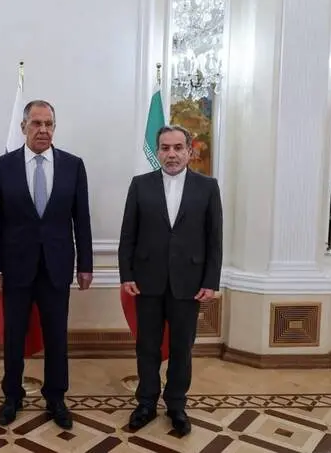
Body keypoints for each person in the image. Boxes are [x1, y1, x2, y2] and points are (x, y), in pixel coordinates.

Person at [0, 99, 93, 429]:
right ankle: (12, 396)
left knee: (57, 336)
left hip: (57, 266)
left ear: (54, 128)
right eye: (36, 123)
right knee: (14, 335)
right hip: (15, 266)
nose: (43, 129)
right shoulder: (3, 166)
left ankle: (56, 397)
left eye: (48, 124)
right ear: (23, 127)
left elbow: (82, 220)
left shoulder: (73, 166)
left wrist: (86, 265)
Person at [118, 124, 222, 437]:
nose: (172, 154)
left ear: (189, 151)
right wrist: (127, 275)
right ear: (158, 151)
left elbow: (214, 239)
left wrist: (210, 281)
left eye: (178, 148)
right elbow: (128, 235)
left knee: (181, 348)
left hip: (189, 283)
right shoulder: (140, 185)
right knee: (147, 347)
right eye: (165, 148)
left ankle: (176, 404)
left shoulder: (208, 187)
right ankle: (146, 403)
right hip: (147, 281)